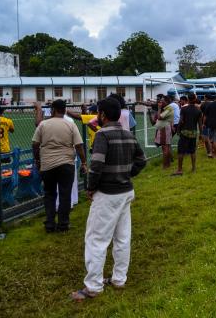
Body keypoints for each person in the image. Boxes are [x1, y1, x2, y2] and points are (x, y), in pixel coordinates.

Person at [70, 97, 146, 301]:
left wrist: (91, 187)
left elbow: (96, 165)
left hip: (107, 194)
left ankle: (93, 287)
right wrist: (127, 174)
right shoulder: (128, 133)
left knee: (96, 240)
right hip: (125, 192)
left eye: (98, 113)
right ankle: (119, 279)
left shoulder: (103, 135)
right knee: (122, 238)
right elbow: (142, 160)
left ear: (102, 115)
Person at [32, 99, 87, 233]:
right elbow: (79, 146)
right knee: (65, 193)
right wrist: (84, 162)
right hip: (66, 164)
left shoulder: (43, 124)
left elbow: (35, 144)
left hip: (48, 164)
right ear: (64, 110)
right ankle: (63, 224)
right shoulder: (70, 125)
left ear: (52, 110)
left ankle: (50, 224)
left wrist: (38, 160)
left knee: (49, 194)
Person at [173, 93, 202, 176]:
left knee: (181, 151)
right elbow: (200, 123)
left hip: (184, 132)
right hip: (193, 133)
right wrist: (200, 134)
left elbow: (181, 121)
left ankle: (179, 169)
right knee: (193, 151)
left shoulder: (184, 109)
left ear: (188, 99)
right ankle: (193, 169)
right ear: (195, 99)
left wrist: (178, 129)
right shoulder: (198, 110)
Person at [151, 95, 174, 169]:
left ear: (167, 102)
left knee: (165, 147)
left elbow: (159, 117)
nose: (160, 102)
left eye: (162, 101)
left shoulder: (168, 109)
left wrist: (159, 108)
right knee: (166, 146)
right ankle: (168, 164)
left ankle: (165, 166)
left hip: (164, 129)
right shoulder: (167, 108)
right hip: (165, 128)